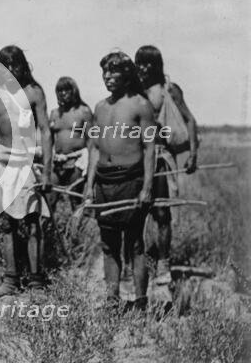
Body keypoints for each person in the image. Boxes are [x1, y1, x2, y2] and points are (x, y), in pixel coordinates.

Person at [0, 45, 53, 295]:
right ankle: (10, 280)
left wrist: (48, 170)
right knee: (6, 224)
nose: (11, 71)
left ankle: (36, 282)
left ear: (23, 66)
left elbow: (45, 131)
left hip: (27, 164)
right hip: (1, 165)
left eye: (16, 66)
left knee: (33, 222)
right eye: (5, 67)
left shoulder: (33, 93)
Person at [84, 51, 156, 311]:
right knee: (108, 244)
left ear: (127, 75)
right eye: (105, 71)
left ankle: (140, 302)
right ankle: (112, 300)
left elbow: (150, 148)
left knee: (135, 243)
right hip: (104, 181)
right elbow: (94, 148)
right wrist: (89, 185)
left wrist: (147, 187)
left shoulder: (141, 105)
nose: (108, 76)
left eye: (114, 71)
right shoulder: (100, 107)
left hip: (132, 180)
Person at [135, 45, 199, 284]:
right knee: (136, 213)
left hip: (161, 157)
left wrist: (193, 153)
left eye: (149, 63)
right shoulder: (133, 90)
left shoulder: (168, 90)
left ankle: (163, 263)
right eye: (140, 62)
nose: (144, 67)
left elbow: (189, 119)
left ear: (158, 65)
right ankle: (139, 262)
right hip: (137, 158)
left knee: (161, 211)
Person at [48, 76, 93, 207]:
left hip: (77, 162)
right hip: (57, 162)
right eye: (60, 90)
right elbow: (48, 139)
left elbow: (91, 139)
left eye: (67, 90)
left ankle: (76, 227)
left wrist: (90, 165)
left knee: (76, 201)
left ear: (74, 91)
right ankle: (51, 227)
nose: (63, 93)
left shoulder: (83, 111)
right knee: (49, 199)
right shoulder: (54, 114)